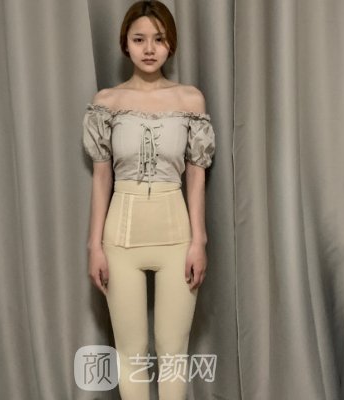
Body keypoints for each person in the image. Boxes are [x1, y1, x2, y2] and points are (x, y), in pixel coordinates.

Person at [82, 1, 216, 399]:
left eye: (158, 39)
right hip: (119, 240)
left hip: (177, 239)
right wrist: (94, 246)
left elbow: (196, 176)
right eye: (139, 39)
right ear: (125, 43)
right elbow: (101, 178)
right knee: (131, 353)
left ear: (170, 44)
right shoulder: (107, 102)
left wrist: (199, 241)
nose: (149, 48)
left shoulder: (190, 100)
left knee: (174, 352)